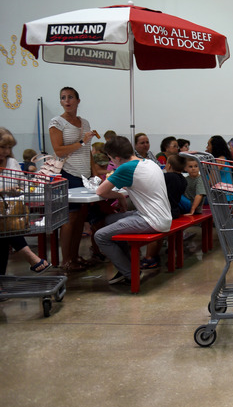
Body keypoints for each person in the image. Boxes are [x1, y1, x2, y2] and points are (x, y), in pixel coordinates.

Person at [94, 136, 172, 285]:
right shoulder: (148, 162)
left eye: (111, 159)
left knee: (100, 236)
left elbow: (100, 191)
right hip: (162, 216)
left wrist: (119, 197)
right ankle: (127, 267)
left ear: (116, 157)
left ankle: (131, 274)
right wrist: (121, 197)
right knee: (109, 220)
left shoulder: (126, 167)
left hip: (151, 220)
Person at [48, 86, 99, 274]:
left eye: (70, 97)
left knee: (80, 219)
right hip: (67, 173)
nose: (67, 101)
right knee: (69, 218)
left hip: (84, 175)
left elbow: (88, 152)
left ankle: (76, 256)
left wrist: (94, 173)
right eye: (63, 98)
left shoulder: (84, 122)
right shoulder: (56, 122)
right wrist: (82, 142)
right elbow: (58, 150)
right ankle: (66, 260)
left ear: (78, 100)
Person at [0, 128, 52, 275]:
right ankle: (31, 257)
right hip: (5, 216)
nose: (6, 151)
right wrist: (4, 190)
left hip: (8, 212)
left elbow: (22, 183)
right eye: (2, 147)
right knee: (5, 230)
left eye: (9, 147)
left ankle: (2, 281)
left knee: (4, 233)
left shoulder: (11, 162)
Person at [140, 154, 189, 269]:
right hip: (175, 211)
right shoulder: (183, 179)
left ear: (169, 165)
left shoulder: (168, 177)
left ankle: (149, 258)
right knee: (160, 233)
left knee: (154, 231)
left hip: (164, 211)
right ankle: (154, 255)